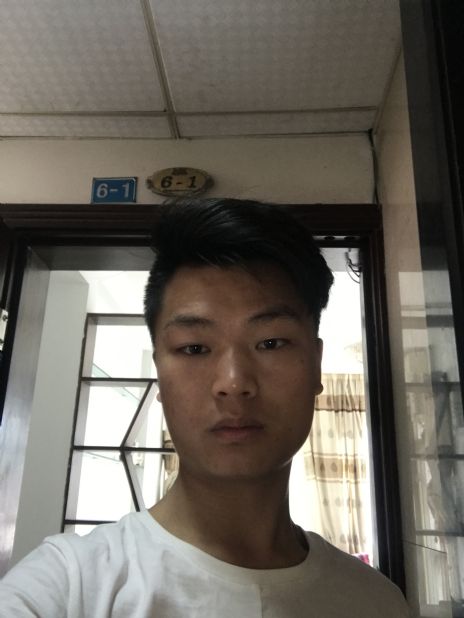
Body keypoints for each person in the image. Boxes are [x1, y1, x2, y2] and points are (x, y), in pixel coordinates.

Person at [0, 199, 409, 617]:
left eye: (271, 343)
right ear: (160, 374)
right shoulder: (71, 585)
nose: (233, 383)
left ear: (316, 365)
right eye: (194, 348)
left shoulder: (378, 603)